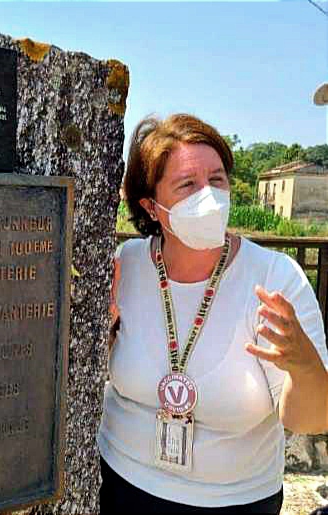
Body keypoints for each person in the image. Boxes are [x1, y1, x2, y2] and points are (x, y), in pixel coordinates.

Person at [97, 113, 328, 514]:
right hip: (119, 483)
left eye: (217, 180)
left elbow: (312, 420)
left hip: (236, 501)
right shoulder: (126, 265)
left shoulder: (274, 278)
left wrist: (303, 364)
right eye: (187, 185)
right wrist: (98, 332)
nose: (209, 196)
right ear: (151, 207)